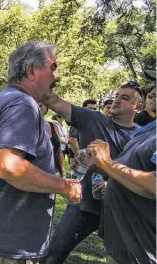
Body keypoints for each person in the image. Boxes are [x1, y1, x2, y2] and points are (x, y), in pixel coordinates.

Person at [0, 41, 82, 264]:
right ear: (31, 71)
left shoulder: (5, 99)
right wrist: (65, 186)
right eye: (53, 67)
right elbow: (9, 166)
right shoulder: (22, 104)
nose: (57, 76)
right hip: (6, 250)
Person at [41, 81, 143, 264]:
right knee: (52, 257)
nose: (116, 101)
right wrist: (40, 79)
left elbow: (144, 179)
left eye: (125, 98)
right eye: (117, 96)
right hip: (84, 206)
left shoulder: (143, 137)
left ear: (138, 107)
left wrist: (112, 181)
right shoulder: (92, 118)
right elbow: (54, 101)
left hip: (120, 212)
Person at [87, 119, 156, 263]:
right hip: (119, 237)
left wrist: (107, 163)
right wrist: (99, 165)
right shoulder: (149, 127)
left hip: (144, 246)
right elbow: (132, 166)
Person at [68, 99, 98, 178]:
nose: (93, 111)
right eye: (90, 108)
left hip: (90, 164)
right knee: (79, 187)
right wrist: (81, 158)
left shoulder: (92, 123)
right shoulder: (80, 122)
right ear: (83, 109)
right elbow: (72, 140)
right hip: (81, 165)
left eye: (94, 109)